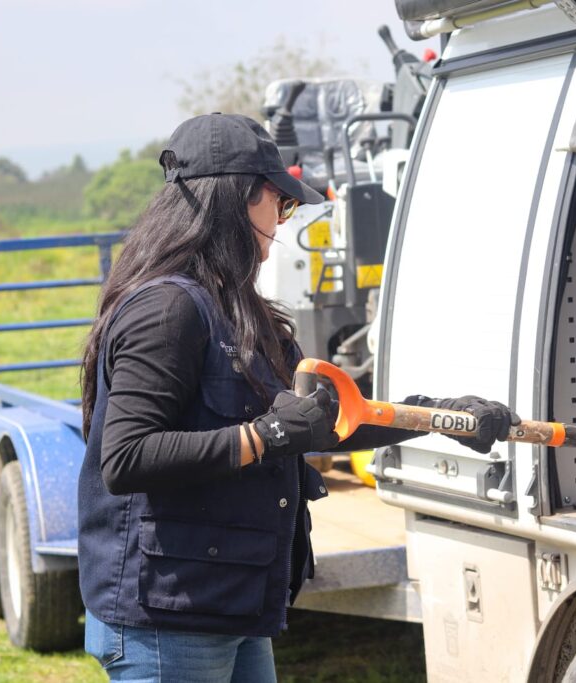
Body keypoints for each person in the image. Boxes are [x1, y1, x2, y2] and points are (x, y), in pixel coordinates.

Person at [77, 112, 518, 682]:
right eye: (278, 205)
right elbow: (128, 457)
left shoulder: (243, 312)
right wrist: (263, 437)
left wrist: (440, 415)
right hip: (168, 615)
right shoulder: (167, 310)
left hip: (229, 600)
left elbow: (324, 423)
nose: (282, 222)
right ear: (236, 200)